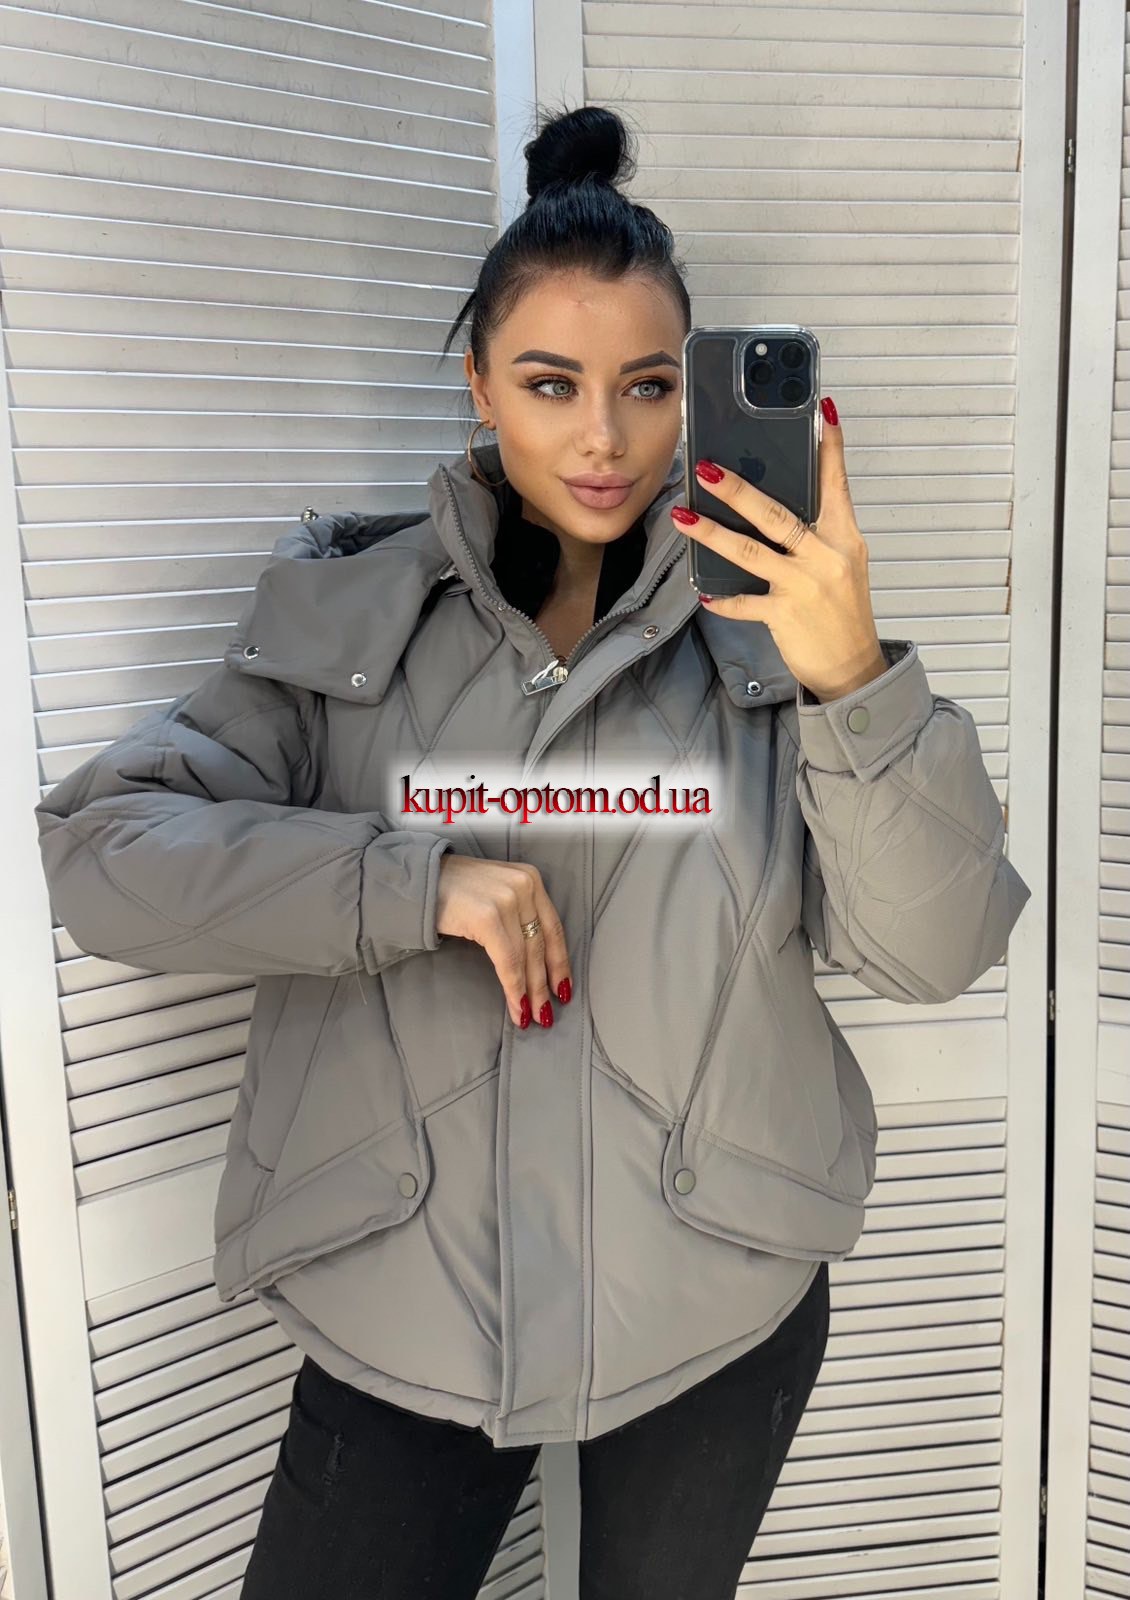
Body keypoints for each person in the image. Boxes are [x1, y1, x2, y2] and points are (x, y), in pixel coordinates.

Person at [34, 102, 1032, 1599]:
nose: (603, 439)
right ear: (480, 384)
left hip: (714, 1288)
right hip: (403, 1294)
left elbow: (933, 948)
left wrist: (851, 676)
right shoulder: (348, 619)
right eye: (551, 383)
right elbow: (107, 854)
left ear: (689, 394)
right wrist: (408, 880)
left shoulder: (777, 642)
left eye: (646, 387)